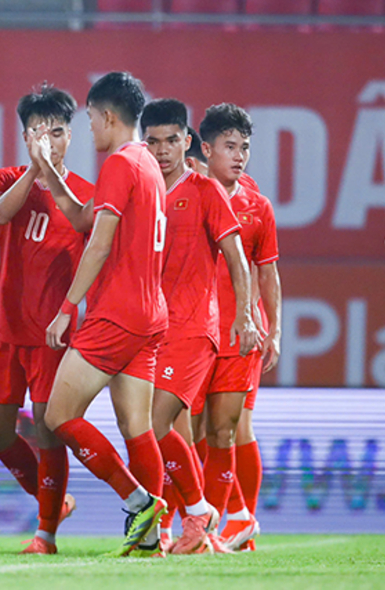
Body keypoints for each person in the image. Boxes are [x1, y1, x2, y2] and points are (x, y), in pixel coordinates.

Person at [30, 71, 167, 557]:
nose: (88, 128)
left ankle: (137, 501)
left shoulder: (117, 164)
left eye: (89, 118)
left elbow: (100, 239)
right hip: (151, 313)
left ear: (109, 117)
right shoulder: (148, 164)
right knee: (137, 427)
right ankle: (153, 537)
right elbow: (87, 219)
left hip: (116, 313)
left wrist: (68, 308)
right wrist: (48, 171)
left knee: (57, 415)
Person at [140, 98, 259, 555]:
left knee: (159, 425)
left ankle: (202, 509)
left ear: (188, 142)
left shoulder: (204, 190)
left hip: (193, 330)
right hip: (150, 331)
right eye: (153, 141)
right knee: (171, 433)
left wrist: (245, 316)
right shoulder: (141, 191)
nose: (163, 149)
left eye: (172, 140)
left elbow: (237, 259)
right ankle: (171, 527)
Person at [0, 85, 92, 554]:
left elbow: (91, 235)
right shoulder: (1, 180)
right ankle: (54, 502)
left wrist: (53, 177)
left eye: (59, 132)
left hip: (52, 333)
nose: (49, 140)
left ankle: (45, 533)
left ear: (71, 137)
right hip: (4, 328)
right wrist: (34, 170)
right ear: (24, 136)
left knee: (48, 428)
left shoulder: (86, 195)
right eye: (38, 132)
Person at [191, 103, 281, 551]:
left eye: (244, 147)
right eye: (230, 146)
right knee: (197, 430)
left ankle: (224, 519)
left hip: (239, 331)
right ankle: (238, 517)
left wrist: (274, 329)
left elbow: (269, 273)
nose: (240, 155)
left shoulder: (255, 204)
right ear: (206, 149)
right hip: (195, 330)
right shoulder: (187, 192)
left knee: (230, 427)